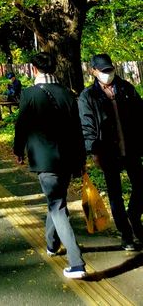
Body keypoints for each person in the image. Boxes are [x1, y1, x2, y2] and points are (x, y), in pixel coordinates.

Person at [13, 52, 86, 280]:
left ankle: (76, 263)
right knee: (56, 201)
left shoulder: (30, 94)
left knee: (57, 207)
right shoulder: (67, 94)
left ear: (34, 69)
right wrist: (81, 160)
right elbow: (77, 129)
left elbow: (21, 126)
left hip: (45, 161)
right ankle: (52, 245)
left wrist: (18, 151)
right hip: (68, 159)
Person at [78, 53, 143, 251]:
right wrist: (94, 151)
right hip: (107, 151)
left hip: (131, 148)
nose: (108, 74)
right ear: (93, 71)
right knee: (115, 194)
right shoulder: (87, 96)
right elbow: (87, 127)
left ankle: (134, 215)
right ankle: (126, 235)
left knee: (141, 185)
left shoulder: (126, 89)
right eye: (104, 71)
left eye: (110, 70)